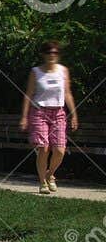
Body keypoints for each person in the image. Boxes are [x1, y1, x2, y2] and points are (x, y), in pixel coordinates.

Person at [18, 41, 79, 194]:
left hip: (58, 112)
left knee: (59, 150)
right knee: (44, 148)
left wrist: (74, 115)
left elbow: (67, 93)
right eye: (49, 52)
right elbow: (28, 94)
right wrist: (24, 117)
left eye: (55, 52)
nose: (52, 55)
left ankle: (50, 174)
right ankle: (42, 182)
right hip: (39, 112)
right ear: (43, 54)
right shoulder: (36, 72)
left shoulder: (63, 71)